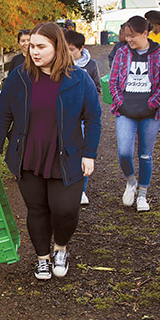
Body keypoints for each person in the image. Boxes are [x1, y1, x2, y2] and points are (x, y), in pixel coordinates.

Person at [0, 22, 102, 280]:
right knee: (37, 209)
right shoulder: (20, 77)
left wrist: (89, 153)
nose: (33, 52)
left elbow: (93, 117)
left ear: (57, 47)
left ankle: (60, 247)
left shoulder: (79, 79)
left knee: (65, 209)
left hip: (67, 155)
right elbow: (3, 113)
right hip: (29, 154)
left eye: (40, 47)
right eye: (31, 46)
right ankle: (42, 258)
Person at [109, 15, 160, 212]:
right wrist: (120, 102)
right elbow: (112, 82)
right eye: (126, 36)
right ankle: (130, 181)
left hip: (151, 113)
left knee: (145, 155)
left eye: (133, 36)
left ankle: (143, 195)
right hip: (126, 110)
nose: (128, 40)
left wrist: (152, 104)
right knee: (124, 152)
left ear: (145, 33)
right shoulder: (122, 53)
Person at [65, 29, 101, 205]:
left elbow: (98, 89)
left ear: (80, 49)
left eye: (71, 49)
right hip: (66, 117)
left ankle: (81, 190)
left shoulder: (90, 65)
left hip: (82, 118)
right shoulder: (58, 66)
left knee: (82, 153)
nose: (68, 53)